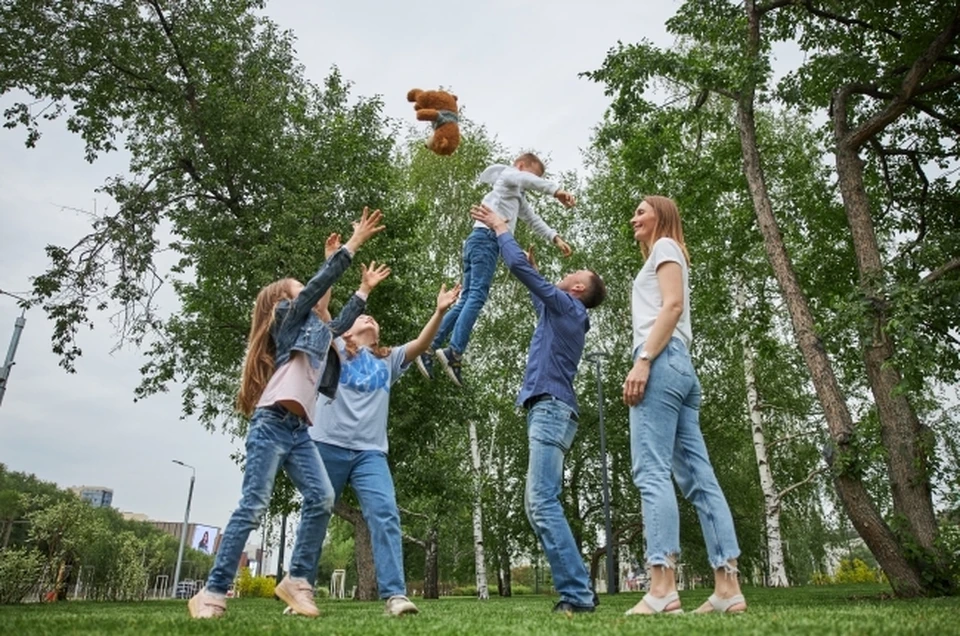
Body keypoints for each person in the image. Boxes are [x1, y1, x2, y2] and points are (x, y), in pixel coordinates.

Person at [187, 208, 387, 620]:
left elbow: (337, 319)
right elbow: (316, 292)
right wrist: (351, 246)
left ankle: (297, 580)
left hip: (298, 431)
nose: (307, 296)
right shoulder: (288, 320)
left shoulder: (315, 330)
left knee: (322, 497)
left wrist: (363, 290)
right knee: (253, 504)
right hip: (271, 423)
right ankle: (212, 590)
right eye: (300, 292)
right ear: (284, 303)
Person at [300, 233, 461, 617]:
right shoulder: (335, 349)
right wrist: (336, 268)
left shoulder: (387, 361)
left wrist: (439, 311)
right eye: (364, 316)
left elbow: (422, 344)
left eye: (373, 319)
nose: (371, 318)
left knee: (385, 513)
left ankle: (395, 595)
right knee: (316, 510)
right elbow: (322, 312)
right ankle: (300, 590)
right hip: (328, 445)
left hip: (370, 453)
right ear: (351, 328)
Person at [470, 203, 607, 614]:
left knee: (542, 503)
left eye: (573, 276)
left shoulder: (571, 307)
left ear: (578, 289)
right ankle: (580, 586)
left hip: (550, 409)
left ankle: (578, 596)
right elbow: (538, 295)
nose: (566, 276)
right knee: (539, 504)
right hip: (549, 411)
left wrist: (500, 228)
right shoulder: (563, 311)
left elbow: (522, 272)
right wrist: (534, 282)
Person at [622, 195, 746, 615]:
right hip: (679, 366)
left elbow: (671, 306)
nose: (634, 217)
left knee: (650, 469)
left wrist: (643, 361)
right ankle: (727, 587)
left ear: (663, 215)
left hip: (660, 360)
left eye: (642, 210)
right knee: (698, 477)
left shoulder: (665, 247)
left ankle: (661, 586)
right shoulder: (663, 252)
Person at [416, 153, 576, 387]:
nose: (529, 184)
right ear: (520, 167)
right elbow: (529, 181)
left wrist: (555, 238)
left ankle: (428, 347)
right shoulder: (509, 176)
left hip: (478, 241)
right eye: (530, 176)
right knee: (477, 296)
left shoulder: (515, 196)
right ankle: (454, 352)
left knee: (466, 300)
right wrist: (557, 191)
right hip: (486, 240)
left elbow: (532, 219)